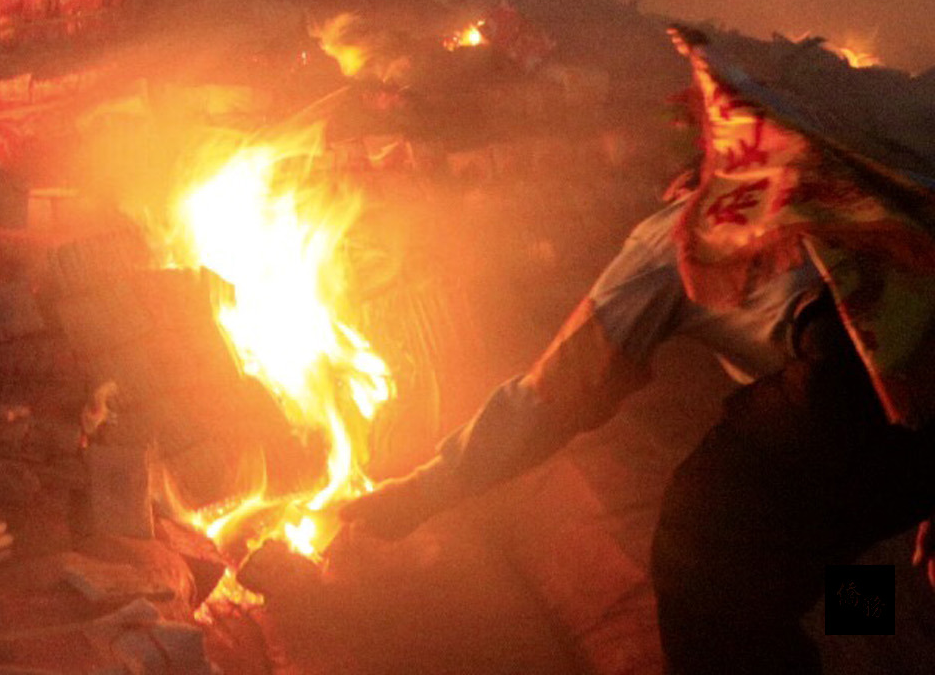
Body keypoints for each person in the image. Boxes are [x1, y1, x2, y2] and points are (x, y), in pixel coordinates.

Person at [342, 34, 935, 675]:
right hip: (910, 391)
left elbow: (554, 395)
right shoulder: (844, 170)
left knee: (703, 545)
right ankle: (870, 637)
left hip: (854, 379)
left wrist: (421, 492)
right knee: (830, 548)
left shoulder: (675, 239)